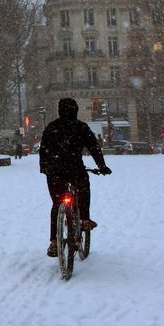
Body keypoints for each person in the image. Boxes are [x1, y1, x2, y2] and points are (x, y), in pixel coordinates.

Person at [39, 98, 111, 257]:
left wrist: (44, 167)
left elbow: (43, 149)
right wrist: (101, 166)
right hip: (75, 168)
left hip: (55, 170)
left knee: (57, 204)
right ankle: (84, 219)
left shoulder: (52, 127)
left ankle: (54, 242)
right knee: (83, 190)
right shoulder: (81, 127)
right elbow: (94, 147)